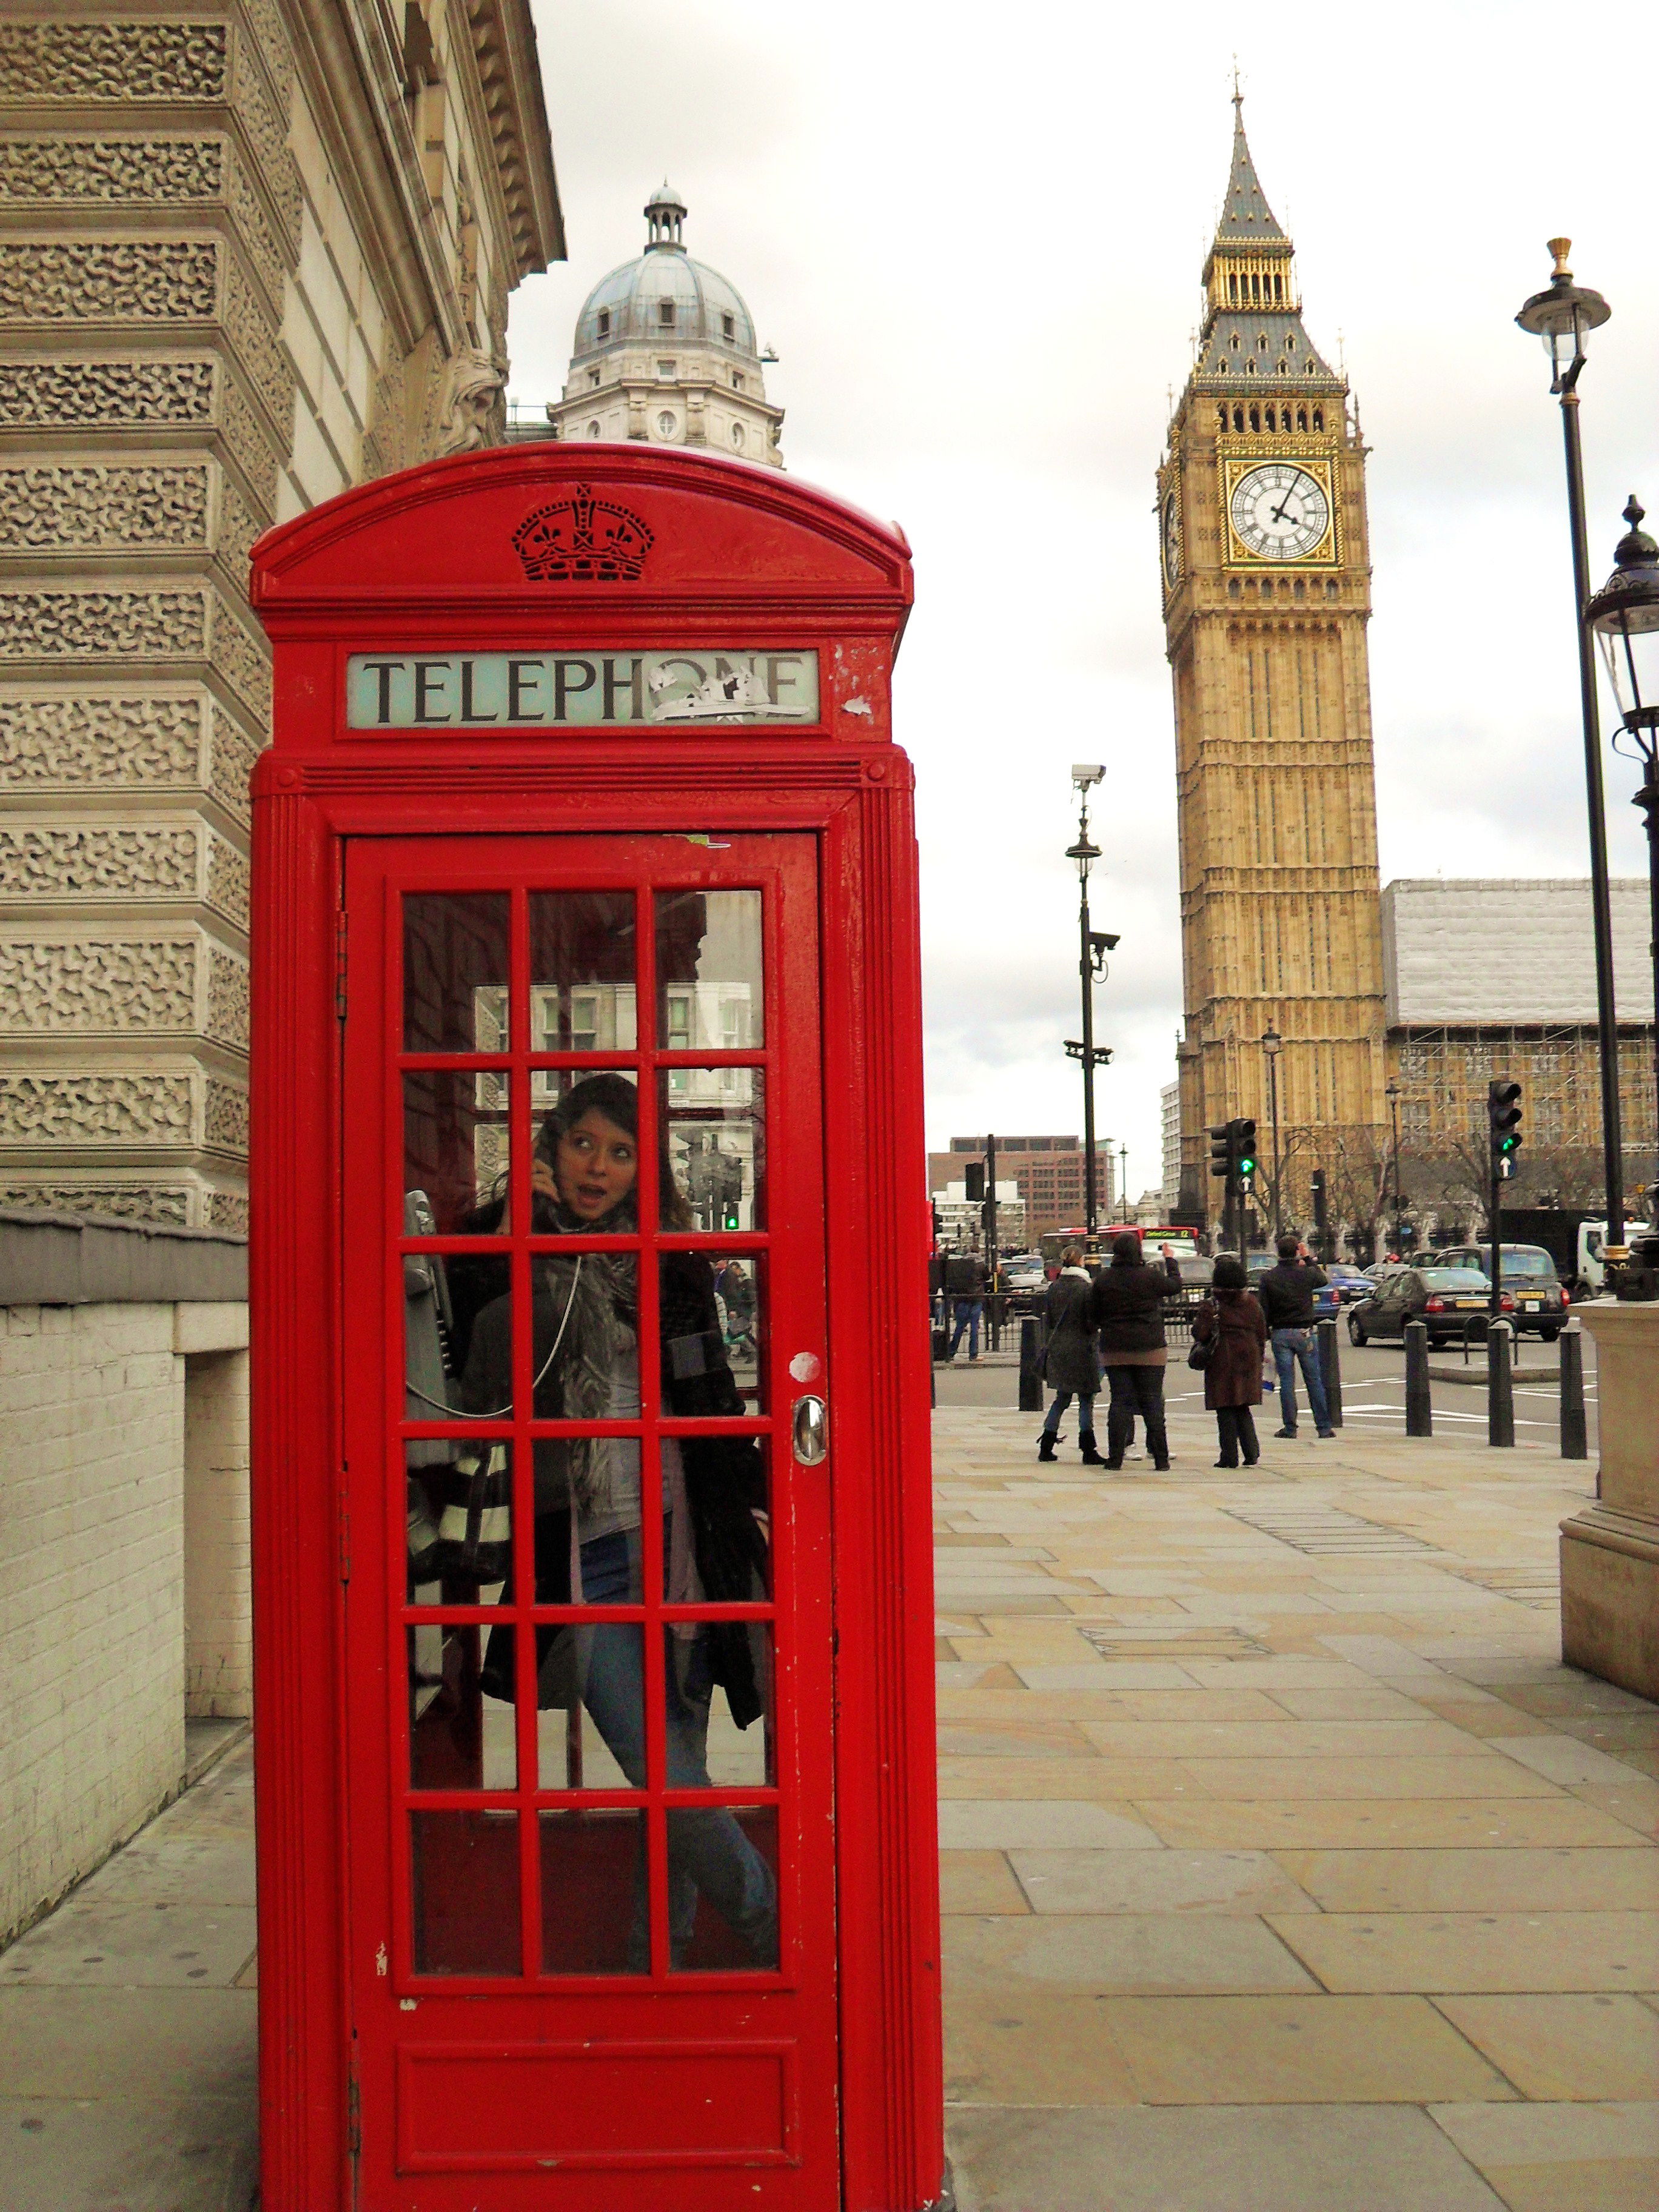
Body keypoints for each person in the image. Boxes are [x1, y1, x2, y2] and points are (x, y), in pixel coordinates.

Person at [459, 1072, 776, 1971]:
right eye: (584, 1144)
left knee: (675, 1768)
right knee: (660, 1769)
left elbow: (709, 1391)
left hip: (680, 1541)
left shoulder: (671, 1260)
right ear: (551, 1148)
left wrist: (760, 1492)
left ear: (646, 1171)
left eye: (622, 1151)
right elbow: (480, 1370)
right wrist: (527, 1229)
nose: (599, 1167)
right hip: (579, 1544)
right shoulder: (503, 1243)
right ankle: (768, 1921)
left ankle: (658, 1956)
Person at [1087, 1231, 1181, 1471]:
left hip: (1115, 1348)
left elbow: (1093, 1316)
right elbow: (1174, 1287)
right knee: (1152, 1403)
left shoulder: (1105, 1280)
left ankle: (1115, 1459)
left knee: (1120, 1401)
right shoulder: (1149, 1276)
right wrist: (1170, 1261)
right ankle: (1161, 1459)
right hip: (1150, 1348)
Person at [1255, 1232, 1335, 1439]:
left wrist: (1265, 1337)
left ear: (1277, 1253)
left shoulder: (1269, 1278)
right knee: (1314, 1380)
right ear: (1297, 1252)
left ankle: (1290, 1427)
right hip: (1304, 1331)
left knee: (1287, 1383)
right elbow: (1323, 1279)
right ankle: (1324, 1427)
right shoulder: (1306, 1274)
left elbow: (1264, 1310)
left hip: (1281, 1333)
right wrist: (1308, 1258)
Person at [1192, 1254, 1269, 1467]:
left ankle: (1229, 1456)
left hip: (1222, 1359)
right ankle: (1252, 1452)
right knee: (1243, 1406)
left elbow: (1201, 1334)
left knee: (1225, 1407)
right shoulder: (1252, 1303)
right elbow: (1262, 1332)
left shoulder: (1212, 1305)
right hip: (1248, 1358)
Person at [1037, 1242, 1103, 1464]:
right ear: (1081, 1262)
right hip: (1082, 1349)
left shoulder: (1054, 1287)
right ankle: (1088, 1448)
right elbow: (1091, 1322)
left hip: (1059, 1349)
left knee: (1062, 1399)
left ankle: (1046, 1444)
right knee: (1086, 1400)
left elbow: (1050, 1320)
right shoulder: (1086, 1288)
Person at [944, 1248, 989, 1361]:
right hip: (976, 1297)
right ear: (978, 1252)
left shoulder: (961, 1263)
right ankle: (973, 1354)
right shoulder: (981, 1263)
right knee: (974, 1326)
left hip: (962, 1298)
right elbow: (987, 1277)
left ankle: (951, 1352)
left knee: (960, 1326)